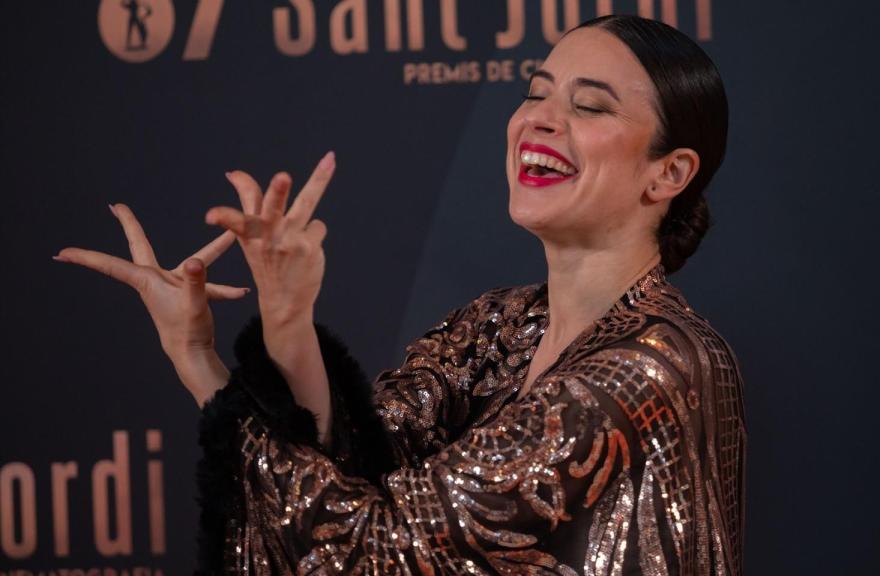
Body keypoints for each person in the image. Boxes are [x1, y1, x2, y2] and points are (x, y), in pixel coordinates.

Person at [56, 14, 746, 575]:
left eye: (588, 105)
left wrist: (208, 377)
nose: (540, 118)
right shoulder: (495, 326)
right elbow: (355, 466)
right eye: (536, 92)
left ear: (668, 173)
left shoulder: (652, 368)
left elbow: (374, 550)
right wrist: (274, 328)